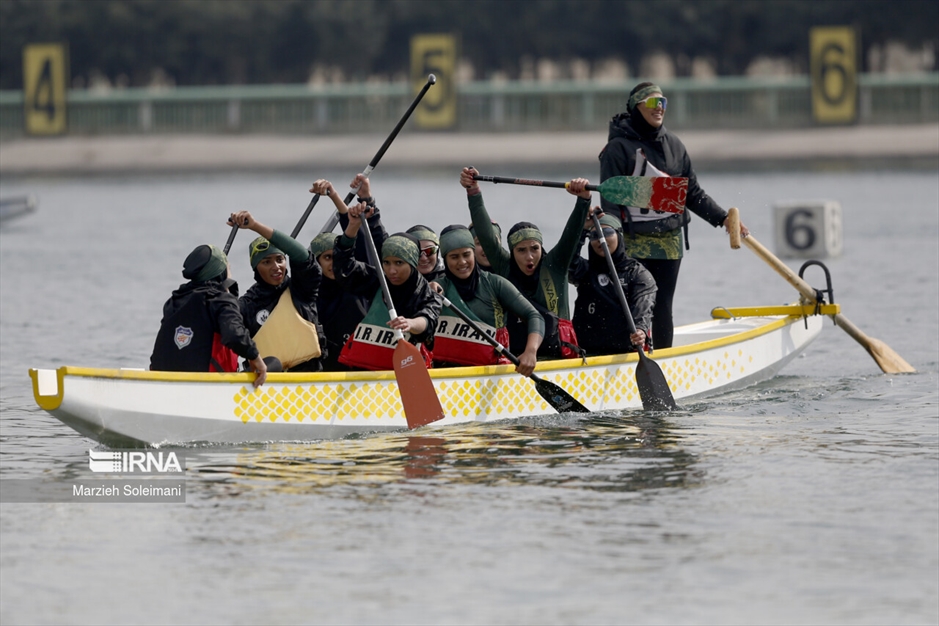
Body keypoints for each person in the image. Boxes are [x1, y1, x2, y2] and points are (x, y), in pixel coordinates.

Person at [599, 81, 748, 349]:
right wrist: (611, 236)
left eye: (663, 102)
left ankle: (663, 358)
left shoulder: (675, 146)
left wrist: (723, 218)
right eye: (653, 103)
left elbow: (692, 194)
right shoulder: (617, 149)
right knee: (632, 304)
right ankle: (629, 355)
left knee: (662, 305)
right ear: (636, 107)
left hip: (669, 239)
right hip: (631, 240)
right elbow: (610, 204)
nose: (660, 108)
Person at [460, 166, 590, 360]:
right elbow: (485, 234)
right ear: (512, 253)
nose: (529, 256)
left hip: (558, 359)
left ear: (541, 249)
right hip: (515, 359)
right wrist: (473, 191)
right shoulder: (504, 267)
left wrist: (583, 200)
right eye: (521, 250)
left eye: (534, 249)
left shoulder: (556, 264)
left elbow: (572, 234)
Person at [333, 203, 440, 371]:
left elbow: (428, 320)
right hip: (365, 368)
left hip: (406, 371)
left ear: (413, 263)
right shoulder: (377, 279)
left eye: (399, 263)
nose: (391, 271)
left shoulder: (427, 292)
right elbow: (344, 268)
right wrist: (352, 227)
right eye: (387, 263)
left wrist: (411, 323)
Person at [431, 225, 543, 375]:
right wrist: (427, 294)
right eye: (454, 257)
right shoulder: (437, 287)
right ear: (445, 259)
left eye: (466, 254)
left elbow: (534, 316)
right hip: (447, 376)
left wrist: (531, 351)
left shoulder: (495, 284)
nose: (462, 262)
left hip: (491, 376)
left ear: (473, 254)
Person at [150, 244, 267, 387]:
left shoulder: (174, 300)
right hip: (207, 385)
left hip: (162, 383)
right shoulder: (220, 299)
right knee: (272, 362)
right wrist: (255, 358)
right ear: (221, 272)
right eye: (228, 268)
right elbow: (234, 335)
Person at [229, 210, 325, 372]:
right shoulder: (247, 304)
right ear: (256, 268)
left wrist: (254, 226)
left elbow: (303, 256)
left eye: (280, 260)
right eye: (267, 262)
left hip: (309, 379)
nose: (276, 267)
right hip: (268, 382)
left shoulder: (302, 289)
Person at [308, 177, 384, 371]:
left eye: (337, 257)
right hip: (330, 372)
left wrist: (333, 195)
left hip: (364, 368)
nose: (334, 263)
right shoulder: (309, 292)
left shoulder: (360, 282)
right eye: (327, 258)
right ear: (317, 262)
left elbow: (355, 233)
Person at [569, 212, 657, 356]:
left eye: (607, 232)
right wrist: (582, 229)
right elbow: (565, 262)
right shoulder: (584, 270)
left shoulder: (637, 273)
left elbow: (644, 306)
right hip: (586, 352)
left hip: (625, 351)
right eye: (595, 235)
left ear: (619, 235)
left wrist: (640, 330)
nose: (601, 239)